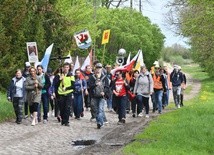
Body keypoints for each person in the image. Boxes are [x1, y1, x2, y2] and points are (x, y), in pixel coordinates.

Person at [88, 63, 110, 129]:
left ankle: (100, 122)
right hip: (94, 96)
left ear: (101, 69)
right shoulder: (92, 77)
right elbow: (90, 86)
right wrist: (95, 84)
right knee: (95, 110)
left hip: (101, 96)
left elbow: (107, 87)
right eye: (97, 68)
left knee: (101, 109)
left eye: (99, 68)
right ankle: (99, 121)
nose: (98, 70)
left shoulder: (104, 77)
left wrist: (104, 92)